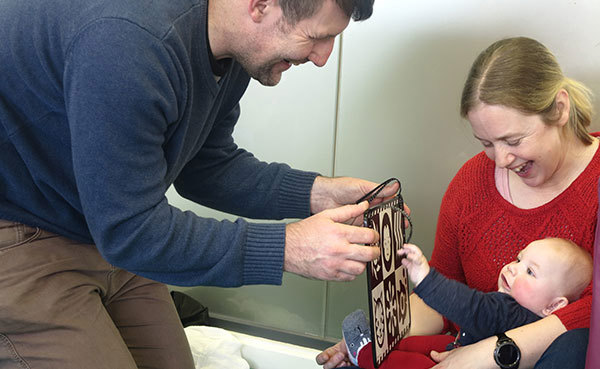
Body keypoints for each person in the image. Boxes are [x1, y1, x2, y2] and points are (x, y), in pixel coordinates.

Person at [0, 0, 394, 368]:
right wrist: (288, 248)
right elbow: (129, 231)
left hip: (99, 223)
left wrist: (319, 194)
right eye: (316, 37)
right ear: (259, 5)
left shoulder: (231, 49)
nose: (323, 57)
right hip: (20, 229)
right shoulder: (127, 42)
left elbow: (206, 166)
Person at [317, 36, 599, 369]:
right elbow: (440, 299)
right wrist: (377, 342)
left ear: (560, 109)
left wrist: (493, 353)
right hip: (455, 349)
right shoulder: (472, 184)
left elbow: (590, 315)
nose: (503, 159)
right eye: (487, 143)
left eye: (514, 140)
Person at [341, 238, 593, 369]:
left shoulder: (510, 311)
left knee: (417, 364)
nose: (513, 268)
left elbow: (469, 306)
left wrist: (426, 279)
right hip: (461, 344)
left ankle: (365, 353)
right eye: (518, 259)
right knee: (424, 344)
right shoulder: (520, 311)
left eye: (530, 272)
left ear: (553, 307)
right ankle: (383, 349)